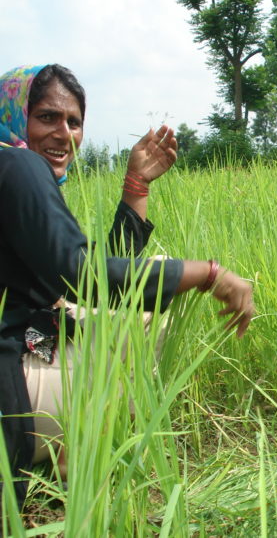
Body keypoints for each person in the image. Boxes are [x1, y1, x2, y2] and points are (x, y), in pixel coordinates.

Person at [0, 64, 256, 508]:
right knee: (143, 316)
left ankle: (69, 444)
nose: (64, 133)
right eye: (47, 117)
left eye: (74, 122)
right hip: (11, 402)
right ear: (14, 112)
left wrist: (136, 186)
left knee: (131, 305)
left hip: (23, 346)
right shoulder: (18, 166)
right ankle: (75, 456)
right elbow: (82, 275)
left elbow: (82, 271)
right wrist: (207, 273)